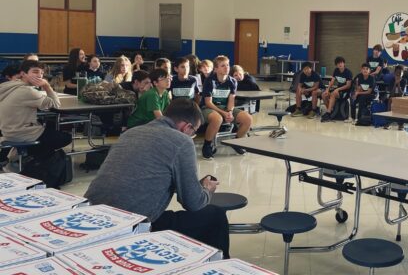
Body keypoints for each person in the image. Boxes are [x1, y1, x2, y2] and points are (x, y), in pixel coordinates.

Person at [84, 98, 229, 257]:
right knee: (215, 216)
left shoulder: (131, 133)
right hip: (130, 228)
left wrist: (193, 185)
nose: (192, 135)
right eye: (194, 131)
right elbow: (193, 203)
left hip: (91, 216)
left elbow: (143, 177)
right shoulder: (182, 141)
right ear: (186, 126)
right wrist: (207, 190)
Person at [0, 59, 72, 175]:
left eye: (42, 73)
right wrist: (47, 86)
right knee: (65, 137)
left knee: (50, 127)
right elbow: (55, 105)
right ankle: (33, 163)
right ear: (23, 74)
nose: (39, 75)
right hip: (23, 133)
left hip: (8, 132)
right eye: (35, 72)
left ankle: (29, 157)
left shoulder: (8, 86)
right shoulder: (27, 91)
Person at [201, 55, 253, 159]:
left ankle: (236, 142)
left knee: (248, 119)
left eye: (228, 65)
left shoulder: (232, 81)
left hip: (225, 107)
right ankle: (207, 145)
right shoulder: (210, 81)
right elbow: (208, 102)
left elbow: (231, 100)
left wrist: (229, 112)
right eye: (223, 66)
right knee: (218, 119)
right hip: (209, 108)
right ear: (216, 69)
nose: (227, 68)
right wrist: (223, 113)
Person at [321, 56, 353, 122]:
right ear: (336, 65)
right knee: (324, 95)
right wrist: (327, 89)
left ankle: (328, 113)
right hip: (338, 90)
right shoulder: (336, 70)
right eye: (338, 63)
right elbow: (332, 81)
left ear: (344, 63)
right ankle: (331, 110)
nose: (340, 64)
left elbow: (348, 85)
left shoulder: (348, 72)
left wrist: (338, 89)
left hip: (345, 92)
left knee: (333, 93)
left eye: (341, 63)